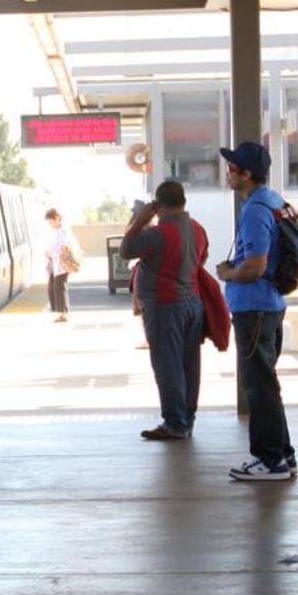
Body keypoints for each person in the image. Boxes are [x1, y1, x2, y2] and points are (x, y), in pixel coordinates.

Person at [216, 141, 296, 481]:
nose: (228, 173)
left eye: (233, 168)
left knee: (258, 386)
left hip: (255, 309)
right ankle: (284, 455)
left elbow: (256, 266)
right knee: (267, 382)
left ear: (247, 174)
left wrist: (228, 273)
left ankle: (270, 460)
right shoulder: (274, 201)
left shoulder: (254, 210)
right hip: (271, 306)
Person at [120, 181, 208, 441]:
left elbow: (125, 250)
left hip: (164, 306)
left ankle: (175, 423)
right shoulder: (198, 230)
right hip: (192, 304)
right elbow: (201, 259)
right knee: (189, 364)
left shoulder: (158, 233)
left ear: (157, 205)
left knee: (167, 365)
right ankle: (186, 419)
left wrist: (139, 221)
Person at [44, 208, 76, 322]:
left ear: (56, 218)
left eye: (50, 221)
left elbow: (62, 248)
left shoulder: (62, 231)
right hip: (58, 264)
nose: (50, 224)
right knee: (57, 287)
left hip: (62, 265)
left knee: (60, 288)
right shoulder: (59, 230)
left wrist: (50, 253)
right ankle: (61, 313)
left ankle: (63, 314)